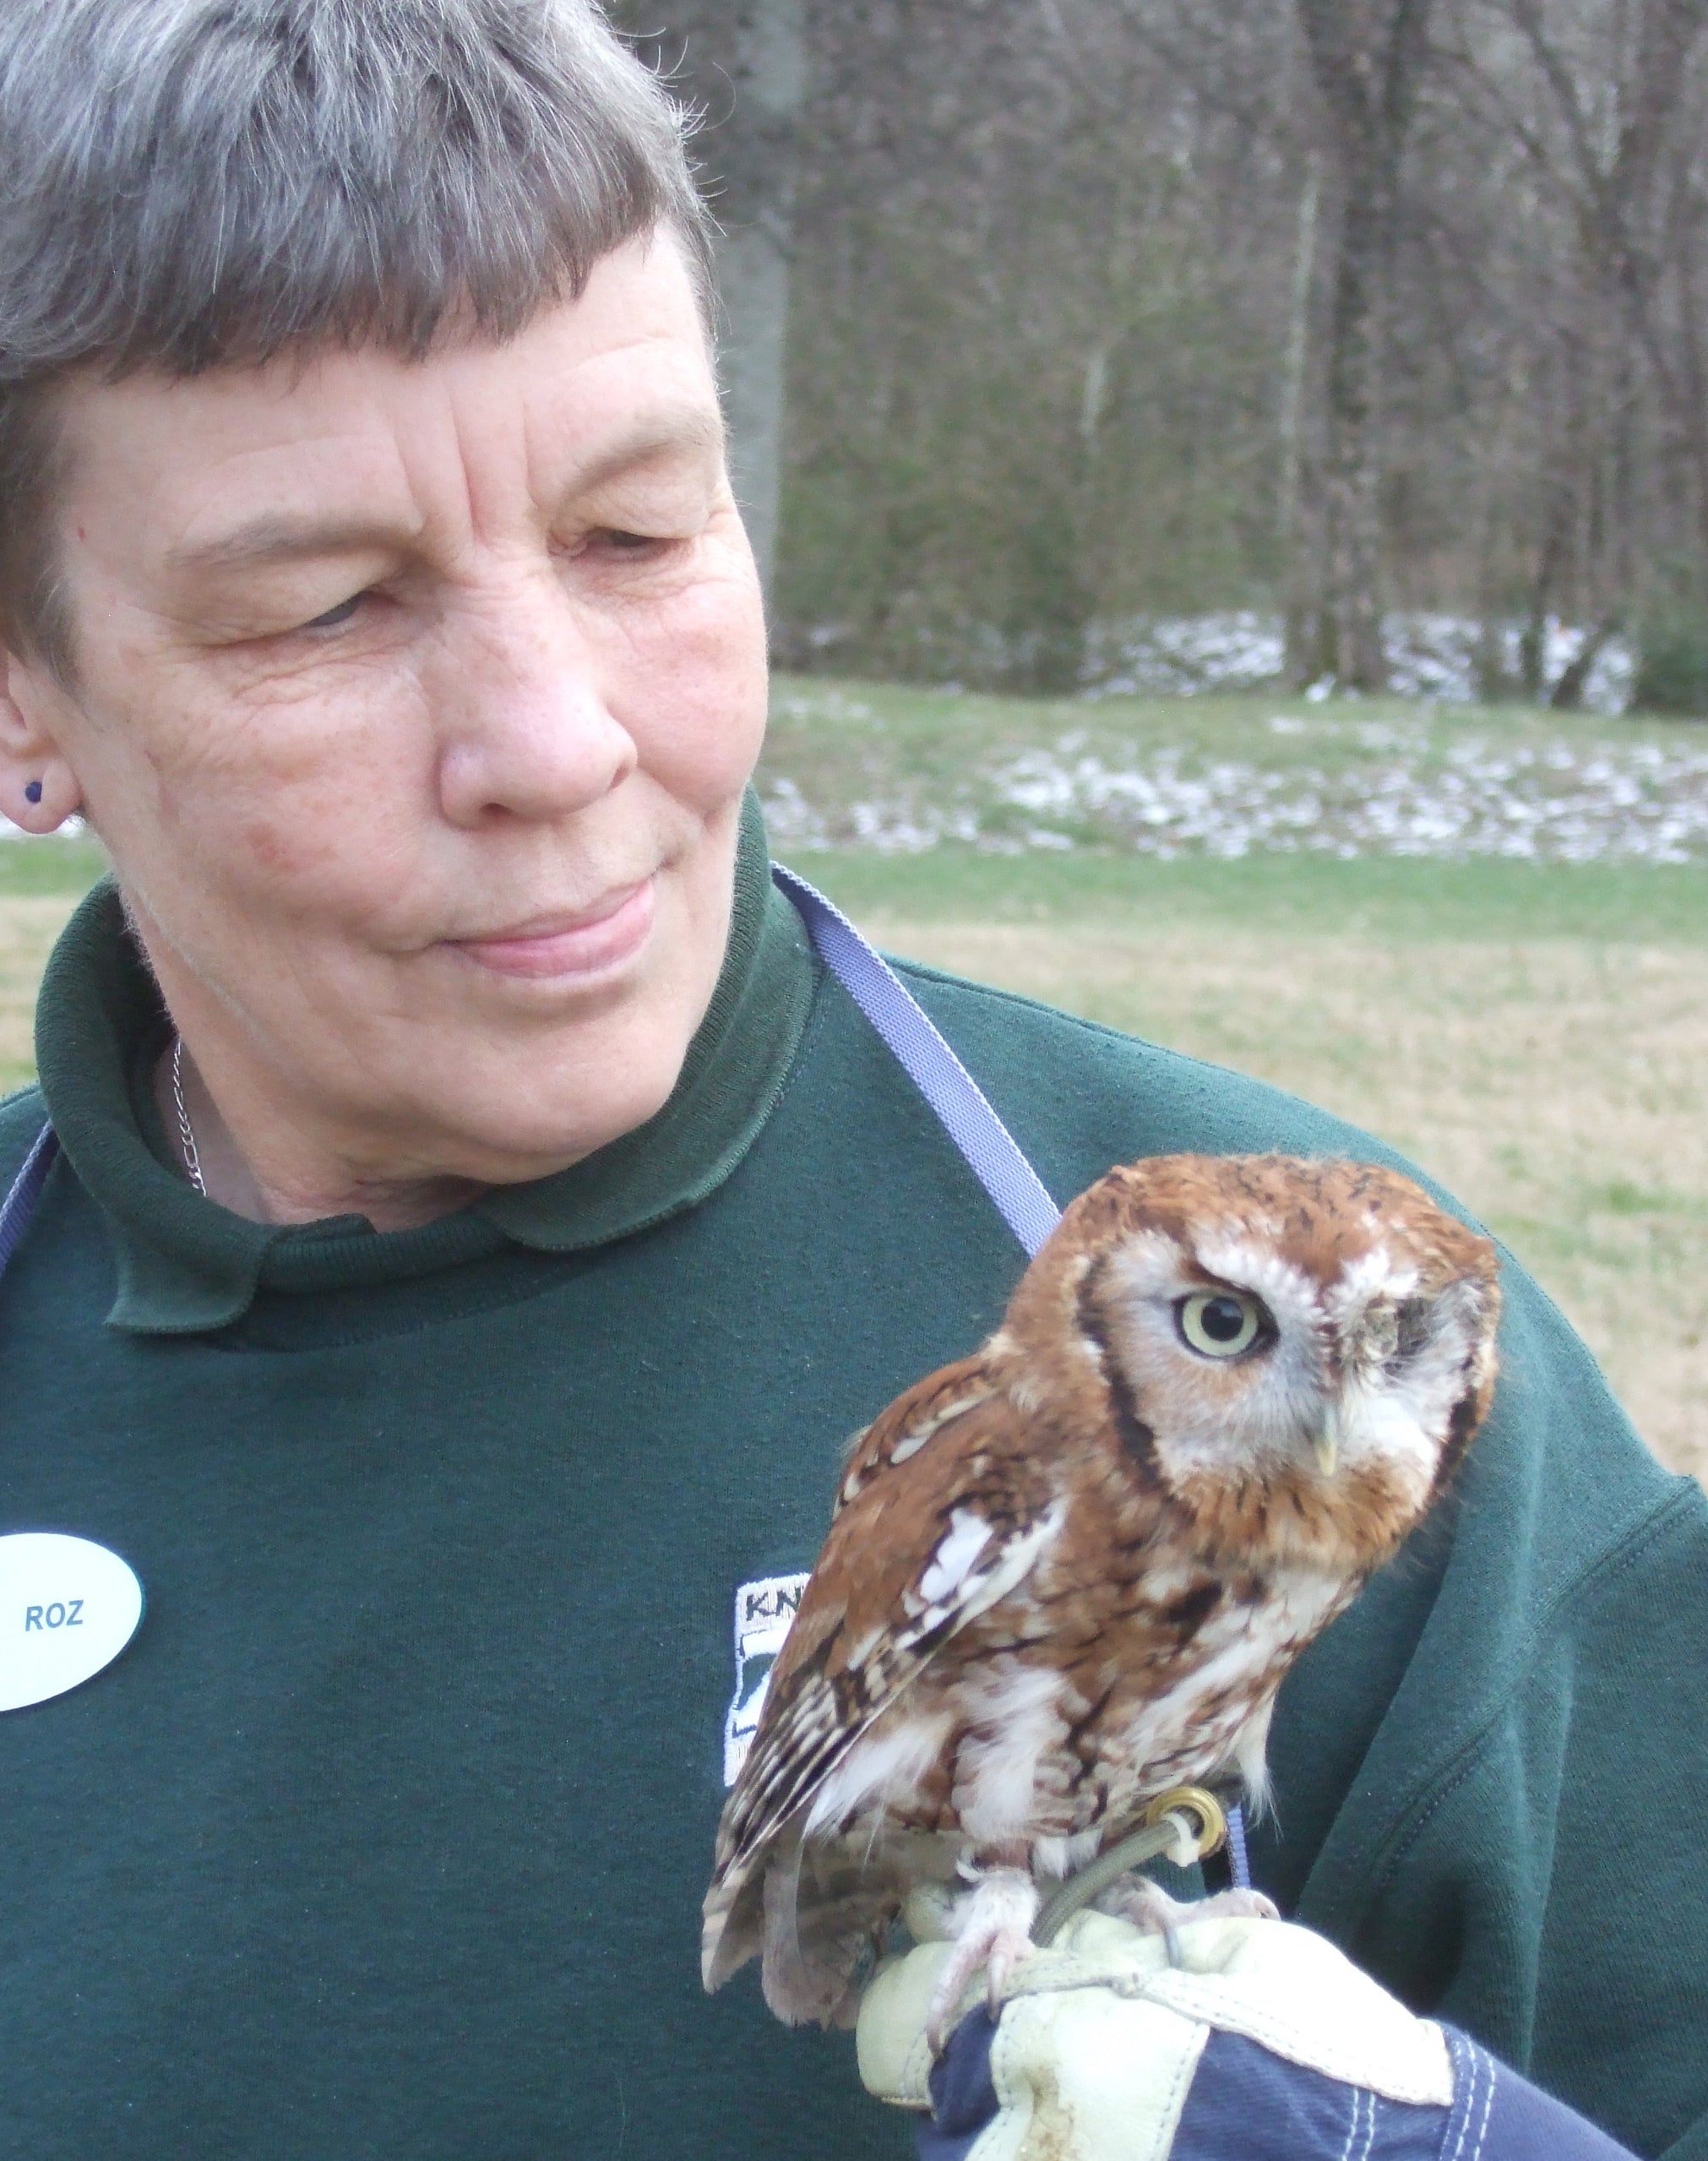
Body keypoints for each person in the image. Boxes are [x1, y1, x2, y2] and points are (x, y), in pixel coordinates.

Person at [0, 4, 1701, 2158]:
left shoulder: (1314, 1324)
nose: (557, 741)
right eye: (330, 607)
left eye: (638, 535)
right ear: (22, 693)